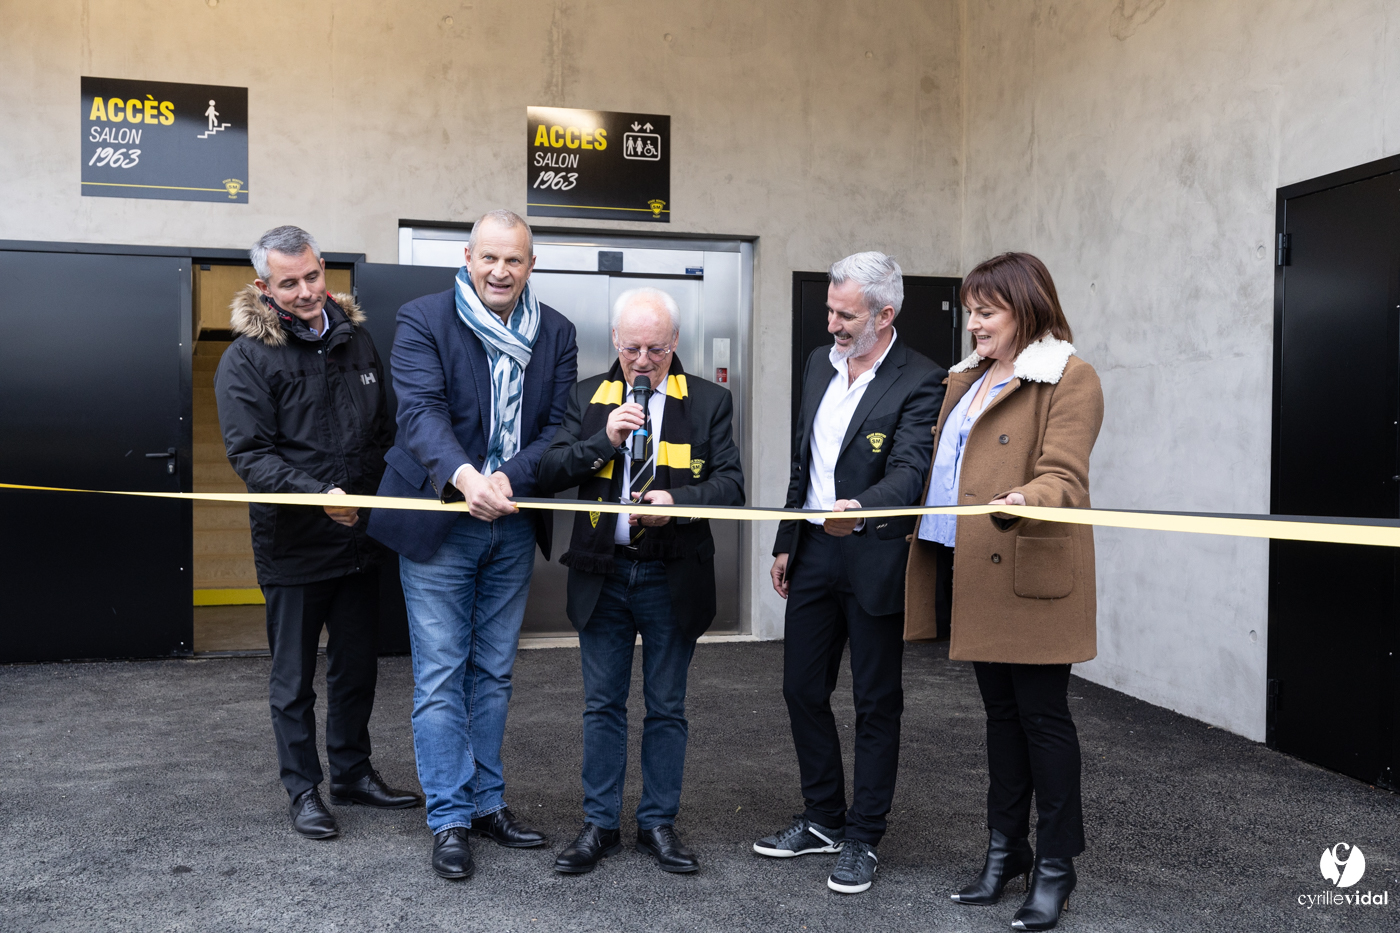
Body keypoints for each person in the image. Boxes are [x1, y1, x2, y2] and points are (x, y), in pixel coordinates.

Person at [366, 210, 578, 881]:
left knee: (493, 673)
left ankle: (487, 802)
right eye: (488, 257)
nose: (499, 271)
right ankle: (450, 816)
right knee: (439, 675)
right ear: (467, 256)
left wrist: (502, 480)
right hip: (440, 519)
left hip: (511, 521)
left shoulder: (558, 333)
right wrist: (466, 478)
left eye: (513, 260)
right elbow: (420, 413)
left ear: (531, 264)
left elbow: (559, 428)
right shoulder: (424, 319)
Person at [904, 252, 1103, 932]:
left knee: (1044, 719)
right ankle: (1005, 851)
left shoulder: (1069, 377)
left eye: (985, 313)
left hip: (1031, 569)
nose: (972, 326)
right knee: (1000, 718)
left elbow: (1065, 476)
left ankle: (1055, 866)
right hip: (977, 566)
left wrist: (1029, 496)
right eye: (970, 313)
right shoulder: (966, 379)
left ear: (1028, 309)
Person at [215, 225, 422, 840]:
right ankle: (303, 789)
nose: (305, 292)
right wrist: (317, 497)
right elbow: (250, 454)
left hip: (361, 538)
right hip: (295, 542)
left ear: (322, 266)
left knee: (357, 667)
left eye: (312, 276)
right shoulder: (247, 358)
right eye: (288, 283)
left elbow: (385, 431)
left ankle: (353, 774)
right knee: (293, 677)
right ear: (263, 286)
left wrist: (383, 498)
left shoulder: (357, 341)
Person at [537, 288, 745, 876]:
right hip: (602, 574)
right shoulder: (585, 397)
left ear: (675, 343)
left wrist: (676, 502)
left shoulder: (709, 401)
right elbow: (549, 472)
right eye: (632, 348)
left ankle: (657, 822)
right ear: (616, 344)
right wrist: (602, 440)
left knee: (666, 706)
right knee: (602, 705)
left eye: (656, 348)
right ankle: (599, 825)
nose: (643, 360)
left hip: (669, 574)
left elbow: (732, 486)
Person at [757, 252, 946, 894]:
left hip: (872, 556)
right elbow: (804, 460)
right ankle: (821, 818)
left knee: (875, 701)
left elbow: (912, 469)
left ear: (885, 315)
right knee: (802, 689)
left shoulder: (923, 379)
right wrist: (787, 538)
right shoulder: (819, 364)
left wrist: (860, 510)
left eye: (846, 314)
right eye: (831, 310)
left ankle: (864, 836)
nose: (832, 324)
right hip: (812, 552)